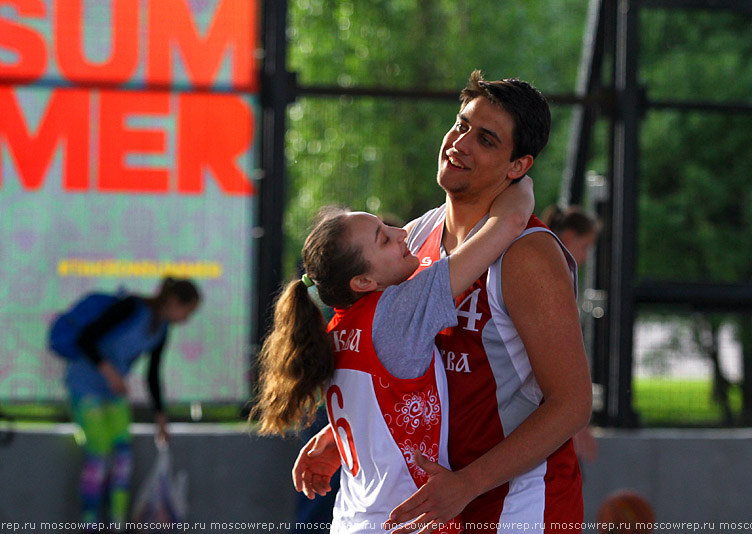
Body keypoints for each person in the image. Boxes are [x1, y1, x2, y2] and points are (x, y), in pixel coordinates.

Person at [293, 71, 593, 533]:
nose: (460, 142)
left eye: (486, 139)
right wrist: (344, 431)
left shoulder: (527, 254)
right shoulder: (412, 240)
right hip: (442, 502)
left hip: (517, 505)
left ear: (518, 166)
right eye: (461, 123)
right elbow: (402, 368)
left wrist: (469, 483)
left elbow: (571, 405)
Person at [252, 175, 534, 534]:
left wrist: (336, 441)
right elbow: (509, 221)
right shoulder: (398, 312)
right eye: (383, 238)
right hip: (405, 524)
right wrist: (520, 173)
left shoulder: (336, 331)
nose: (401, 233)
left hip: (352, 520)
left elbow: (377, 410)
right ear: (363, 283)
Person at [50, 277, 200, 528]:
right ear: (174, 302)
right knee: (97, 453)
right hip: (86, 384)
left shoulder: (161, 330)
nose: (186, 319)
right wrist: (109, 372)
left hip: (113, 392)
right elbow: (87, 339)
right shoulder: (132, 307)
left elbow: (152, 374)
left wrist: (161, 416)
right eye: (187, 311)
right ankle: (90, 522)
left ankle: (117, 522)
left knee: (122, 456)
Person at [542, 204, 602, 464]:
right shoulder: (553, 277)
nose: (586, 257)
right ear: (568, 238)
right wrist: (576, 422)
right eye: (585, 246)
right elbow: (557, 357)